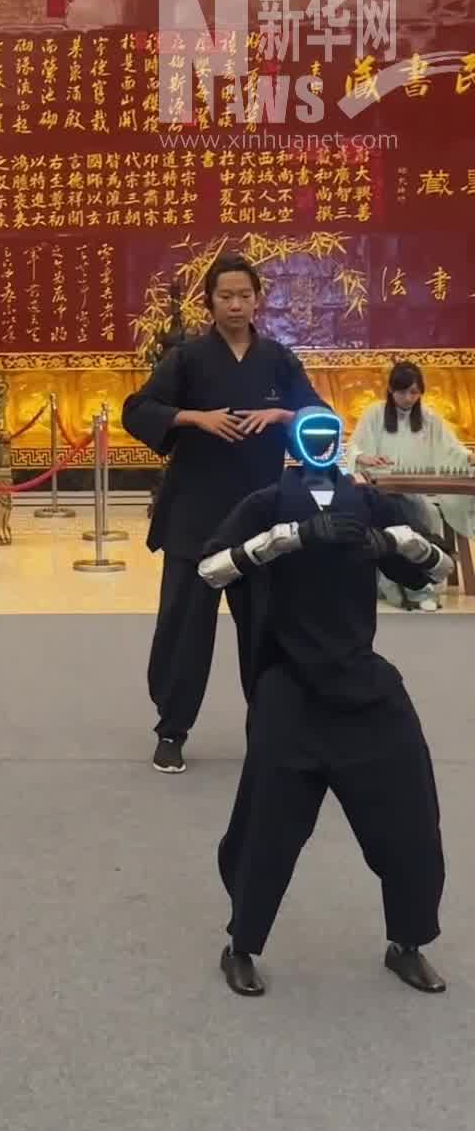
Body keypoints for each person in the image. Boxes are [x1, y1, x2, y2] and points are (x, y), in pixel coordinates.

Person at [199, 406, 450, 998]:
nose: (319, 444)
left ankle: (407, 941)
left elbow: (437, 568)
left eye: (326, 436)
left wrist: (389, 540)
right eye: (310, 435)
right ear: (295, 442)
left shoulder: (369, 503)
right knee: (266, 829)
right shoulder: (266, 504)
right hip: (290, 690)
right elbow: (210, 569)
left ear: (338, 443)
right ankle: (241, 945)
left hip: (363, 685)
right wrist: (287, 539)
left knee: (411, 819)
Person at [121, 253, 325, 774]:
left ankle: (270, 729)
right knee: (184, 628)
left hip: (259, 516)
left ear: (258, 300)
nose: (235, 304)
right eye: (225, 296)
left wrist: (282, 414)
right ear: (209, 302)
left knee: (265, 627)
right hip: (195, 516)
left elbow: (319, 417)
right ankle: (172, 729)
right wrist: (194, 418)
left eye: (244, 295)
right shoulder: (187, 359)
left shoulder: (279, 359)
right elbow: (138, 410)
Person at [347, 360, 475, 612]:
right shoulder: (374, 414)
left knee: (426, 511)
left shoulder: (429, 418)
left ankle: (425, 582)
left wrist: (468, 457)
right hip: (382, 490)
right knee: (405, 510)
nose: (408, 398)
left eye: (414, 392)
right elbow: (355, 447)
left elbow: (451, 449)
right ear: (391, 390)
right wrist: (363, 458)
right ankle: (404, 583)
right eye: (402, 392)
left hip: (420, 490)